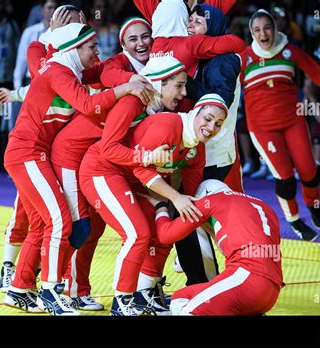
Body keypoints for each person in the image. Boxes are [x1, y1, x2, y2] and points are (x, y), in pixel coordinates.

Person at [3, 22, 151, 316]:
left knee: (44, 224)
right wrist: (127, 87)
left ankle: (19, 288)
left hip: (34, 153)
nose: (97, 51)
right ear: (74, 48)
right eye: (92, 46)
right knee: (60, 222)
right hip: (28, 152)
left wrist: (129, 70)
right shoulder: (58, 71)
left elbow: (101, 72)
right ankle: (50, 291)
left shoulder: (68, 70)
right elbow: (87, 104)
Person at [50, 56, 184, 311]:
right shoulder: (134, 101)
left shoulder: (151, 104)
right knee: (81, 228)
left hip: (107, 164)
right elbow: (111, 147)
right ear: (159, 82)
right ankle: (56, 287)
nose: (183, 92)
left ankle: (85, 289)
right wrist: (145, 158)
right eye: (178, 86)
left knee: (101, 230)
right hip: (75, 156)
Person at [79, 94, 228, 315]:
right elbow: (142, 168)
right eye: (207, 118)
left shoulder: (197, 149)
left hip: (136, 182)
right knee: (136, 233)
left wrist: (213, 229)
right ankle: (122, 301)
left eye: (218, 124)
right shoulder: (168, 125)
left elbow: (192, 193)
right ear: (196, 111)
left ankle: (143, 293)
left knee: (165, 232)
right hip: (102, 170)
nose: (211, 127)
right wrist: (175, 198)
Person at [241, 9, 320, 241]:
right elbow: (227, 90)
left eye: (267, 27)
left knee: (309, 171)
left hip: (292, 121)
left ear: (275, 27)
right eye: (257, 30)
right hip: (263, 128)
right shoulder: (244, 59)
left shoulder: (290, 51)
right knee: (285, 178)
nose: (263, 33)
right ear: (252, 33)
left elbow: (317, 72)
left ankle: (313, 205)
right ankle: (294, 220)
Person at [0, 4, 86, 294]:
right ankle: (10, 268)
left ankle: (30, 281)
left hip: (50, 154)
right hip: (29, 150)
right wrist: (55, 37)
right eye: (70, 26)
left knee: (44, 220)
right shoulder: (38, 47)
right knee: (25, 213)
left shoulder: (81, 61)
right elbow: (40, 74)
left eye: (80, 27)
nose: (77, 33)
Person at [173, 3, 243, 286]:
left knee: (192, 217)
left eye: (198, 21)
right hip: (206, 152)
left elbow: (217, 102)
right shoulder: (211, 56)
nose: (190, 25)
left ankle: (204, 284)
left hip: (211, 155)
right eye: (189, 20)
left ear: (212, 27)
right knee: (194, 217)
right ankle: (206, 281)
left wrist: (183, 82)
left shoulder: (224, 60)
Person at [140, 179, 283, 316]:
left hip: (245, 278)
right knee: (181, 296)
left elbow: (166, 235)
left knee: (187, 310)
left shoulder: (213, 200)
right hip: (271, 291)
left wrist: (160, 206)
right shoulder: (264, 207)